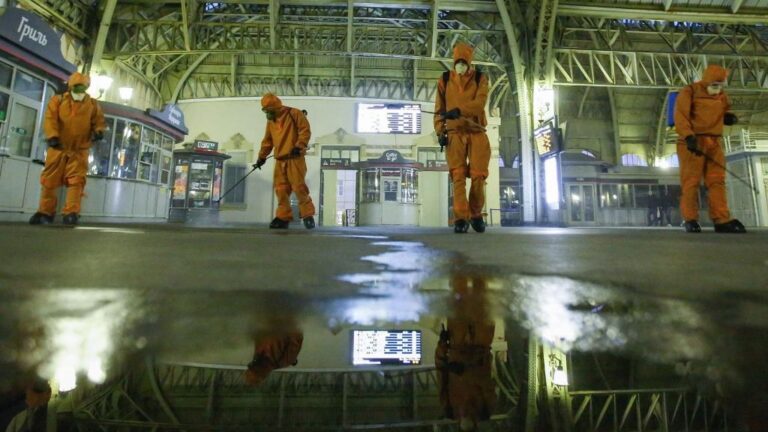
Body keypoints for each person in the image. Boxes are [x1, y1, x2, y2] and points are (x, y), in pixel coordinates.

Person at [674, 65, 746, 233]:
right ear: (706, 82)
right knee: (691, 182)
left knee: (717, 180)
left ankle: (721, 219)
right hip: (692, 143)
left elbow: (723, 112)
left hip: (714, 142)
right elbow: (680, 115)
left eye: (720, 86)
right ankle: (690, 219)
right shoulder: (689, 92)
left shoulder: (721, 96)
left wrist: (727, 118)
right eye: (714, 86)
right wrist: (688, 136)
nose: (718, 89)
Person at [28, 73, 106, 226]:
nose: (80, 89)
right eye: (77, 86)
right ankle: (45, 212)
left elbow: (99, 121)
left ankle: (71, 212)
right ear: (71, 86)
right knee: (50, 181)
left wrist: (99, 131)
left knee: (76, 182)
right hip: (58, 148)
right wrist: (52, 136)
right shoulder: (58, 101)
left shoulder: (92, 104)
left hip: (79, 150)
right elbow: (50, 119)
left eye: (83, 86)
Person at [434, 43, 491, 234]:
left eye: (463, 63)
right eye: (457, 63)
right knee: (457, 175)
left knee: (478, 175)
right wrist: (440, 131)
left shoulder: (480, 78)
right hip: (454, 134)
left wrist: (460, 111)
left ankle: (475, 215)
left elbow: (479, 103)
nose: (460, 66)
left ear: (469, 63)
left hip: (476, 131)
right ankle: (460, 218)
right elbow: (439, 110)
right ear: (453, 63)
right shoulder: (444, 80)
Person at [435, 274, 496, 431]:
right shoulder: (485, 409)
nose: (467, 413)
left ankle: (458, 263)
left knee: (459, 294)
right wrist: (468, 369)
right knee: (480, 294)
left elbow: (441, 371)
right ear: (475, 425)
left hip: (458, 343)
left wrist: (443, 345)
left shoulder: (449, 407)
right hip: (479, 345)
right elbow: (487, 378)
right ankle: (479, 263)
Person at [253, 93, 316, 229]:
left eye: (268, 110)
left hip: (295, 158)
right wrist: (261, 158)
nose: (266, 113)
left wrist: (299, 146)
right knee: (280, 190)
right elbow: (267, 141)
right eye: (264, 110)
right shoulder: (271, 121)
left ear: (275, 107)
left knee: (299, 187)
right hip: (280, 160)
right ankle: (283, 217)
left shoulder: (294, 114)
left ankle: (308, 215)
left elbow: (305, 131)